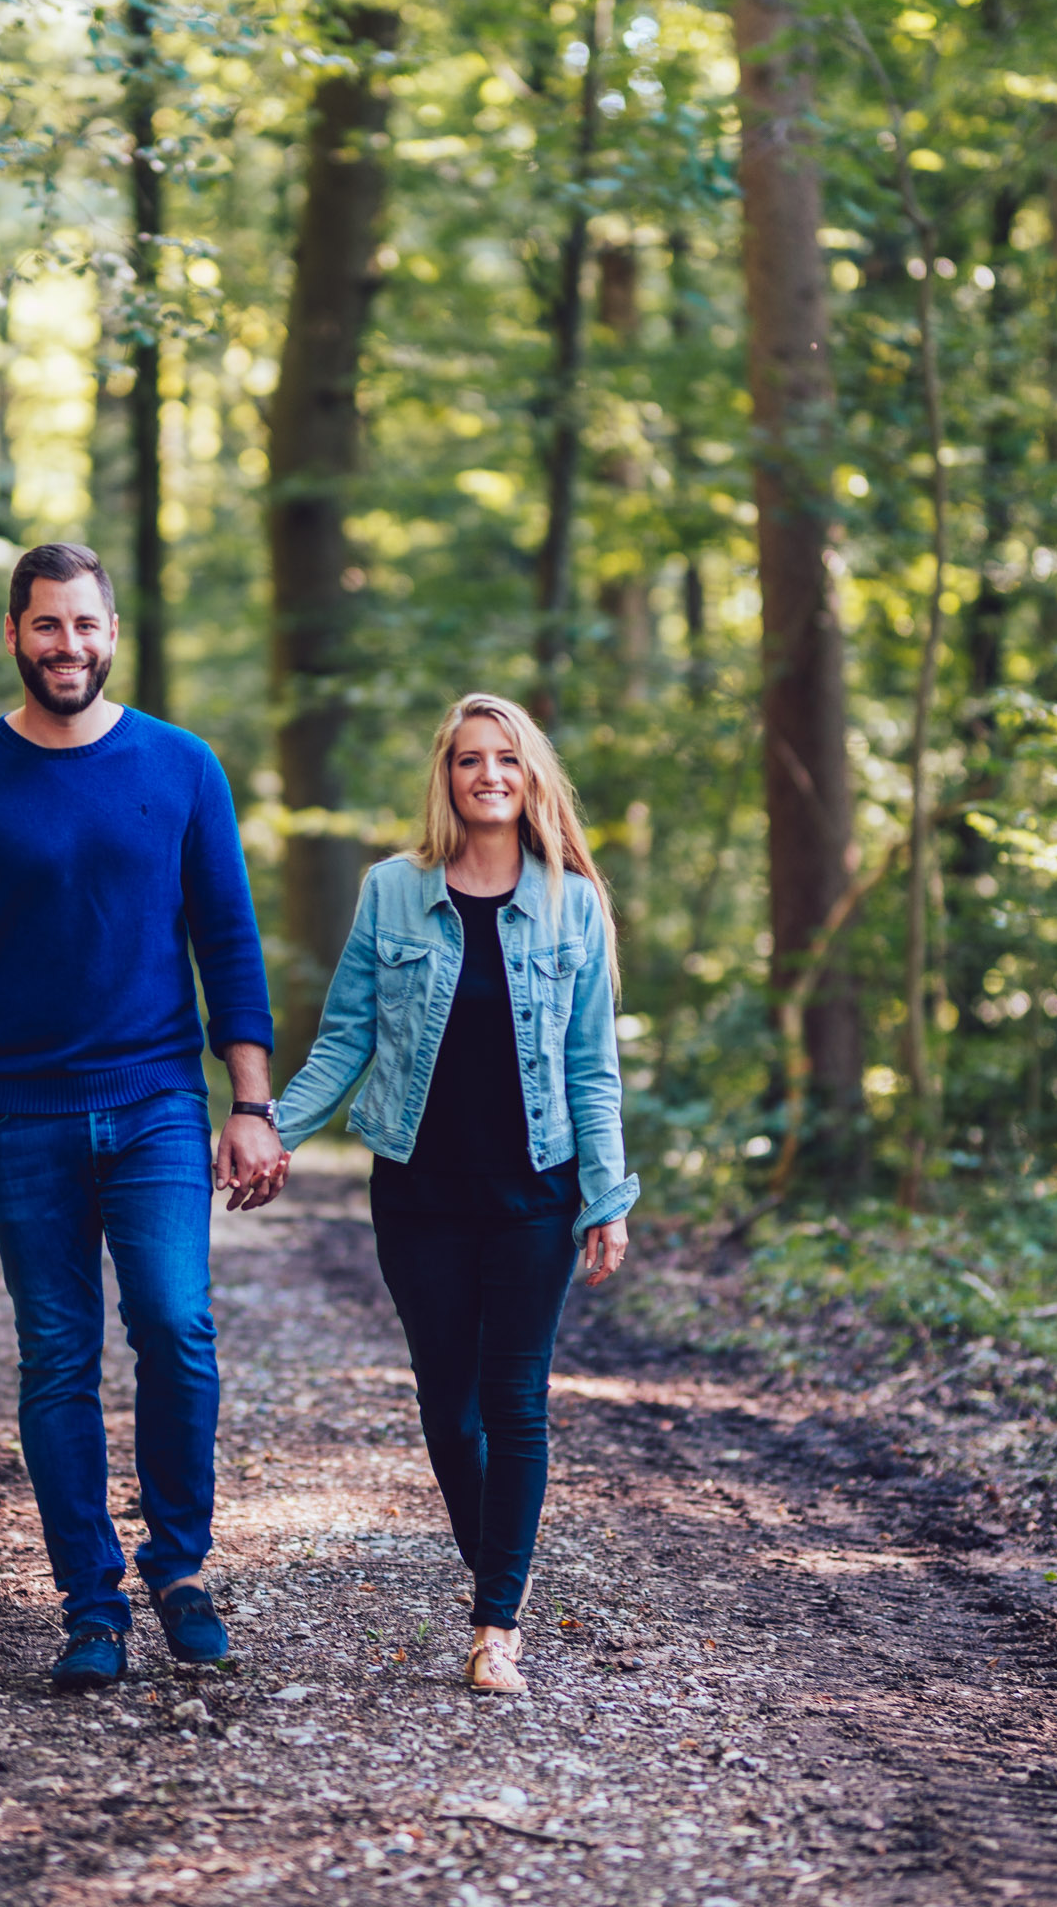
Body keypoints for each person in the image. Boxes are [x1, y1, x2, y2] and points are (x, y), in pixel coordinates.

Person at [0, 542, 289, 1694]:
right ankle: (91, 1603)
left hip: (160, 1098)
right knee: (58, 1356)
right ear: (13, 634)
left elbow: (229, 941)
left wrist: (250, 1102)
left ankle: (179, 1568)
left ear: (114, 633)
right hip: (18, 1116)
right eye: (48, 626)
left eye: (88, 625)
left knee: (174, 1327)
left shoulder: (183, 765)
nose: (71, 645)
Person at [272, 693, 636, 1695]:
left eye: (507, 761)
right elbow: (347, 1034)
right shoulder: (393, 891)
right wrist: (273, 1130)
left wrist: (606, 1195)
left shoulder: (573, 903)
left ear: (530, 780)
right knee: (447, 1403)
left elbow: (593, 1066)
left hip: (535, 1191)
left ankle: (496, 1623)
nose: (488, 775)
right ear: (447, 777)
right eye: (470, 760)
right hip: (419, 1190)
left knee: (515, 1402)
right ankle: (502, 1571)